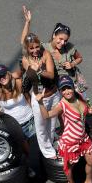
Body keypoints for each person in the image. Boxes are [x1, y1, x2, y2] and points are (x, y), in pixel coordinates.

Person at [37, 76, 92, 183]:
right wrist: (40, 102)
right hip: (70, 141)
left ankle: (88, 182)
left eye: (68, 88)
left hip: (83, 138)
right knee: (70, 167)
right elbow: (47, 116)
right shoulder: (62, 105)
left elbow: (88, 111)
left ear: (73, 87)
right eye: (63, 89)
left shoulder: (80, 98)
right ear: (60, 91)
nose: (67, 91)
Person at [19, 28, 60, 159]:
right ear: (27, 49)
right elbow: (23, 41)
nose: (35, 50)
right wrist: (35, 70)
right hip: (39, 98)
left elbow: (51, 74)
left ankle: (50, 143)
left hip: (53, 94)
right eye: (32, 48)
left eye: (37, 46)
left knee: (52, 123)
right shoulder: (25, 60)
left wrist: (40, 70)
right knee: (41, 126)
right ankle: (47, 152)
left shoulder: (46, 54)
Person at [0, 64, 35, 156]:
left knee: (40, 146)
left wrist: (11, 75)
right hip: (16, 126)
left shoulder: (18, 82)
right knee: (28, 153)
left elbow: (21, 72)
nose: (1, 78)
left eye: (3, 75)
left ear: (9, 74)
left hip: (31, 120)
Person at [21, 6, 83, 87]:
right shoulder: (44, 47)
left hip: (72, 83)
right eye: (60, 39)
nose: (63, 42)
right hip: (55, 85)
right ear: (54, 35)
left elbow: (80, 58)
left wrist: (72, 64)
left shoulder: (69, 47)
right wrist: (27, 22)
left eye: (66, 40)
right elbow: (24, 41)